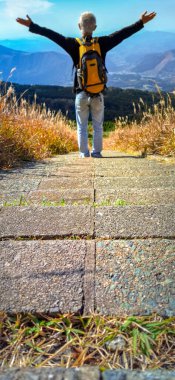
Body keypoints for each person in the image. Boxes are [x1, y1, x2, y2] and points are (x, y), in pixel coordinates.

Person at [16, 10, 156, 158]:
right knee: (98, 126)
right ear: (95, 27)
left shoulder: (73, 44)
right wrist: (141, 22)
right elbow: (123, 34)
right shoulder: (102, 43)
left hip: (81, 93)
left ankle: (84, 154)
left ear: (79, 26)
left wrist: (31, 25)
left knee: (81, 127)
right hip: (98, 93)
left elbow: (52, 35)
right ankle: (96, 153)